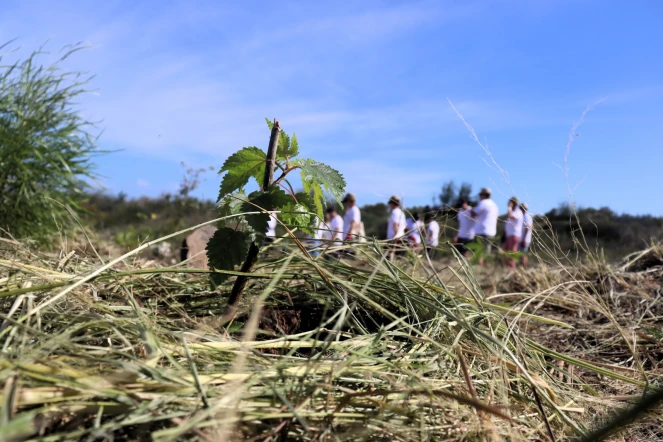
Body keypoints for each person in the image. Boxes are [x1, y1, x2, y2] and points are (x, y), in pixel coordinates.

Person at [471, 188, 499, 264]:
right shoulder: (494, 205)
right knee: (487, 251)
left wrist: (470, 209)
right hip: (491, 231)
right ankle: (486, 267)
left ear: (483, 195)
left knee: (479, 250)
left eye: (480, 195)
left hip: (482, 230)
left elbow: (474, 213)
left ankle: (480, 267)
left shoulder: (483, 203)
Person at [504, 197, 523, 269]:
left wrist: (509, 207)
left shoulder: (518, 212)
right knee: (506, 252)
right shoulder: (514, 211)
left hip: (514, 235)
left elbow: (510, 216)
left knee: (512, 253)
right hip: (509, 235)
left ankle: (512, 268)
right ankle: (508, 268)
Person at [520, 203, 533, 268]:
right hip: (523, 239)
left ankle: (524, 267)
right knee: (522, 254)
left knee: (523, 254)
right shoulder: (524, 216)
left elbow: (528, 228)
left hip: (524, 239)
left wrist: (524, 239)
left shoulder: (526, 216)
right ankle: (523, 267)